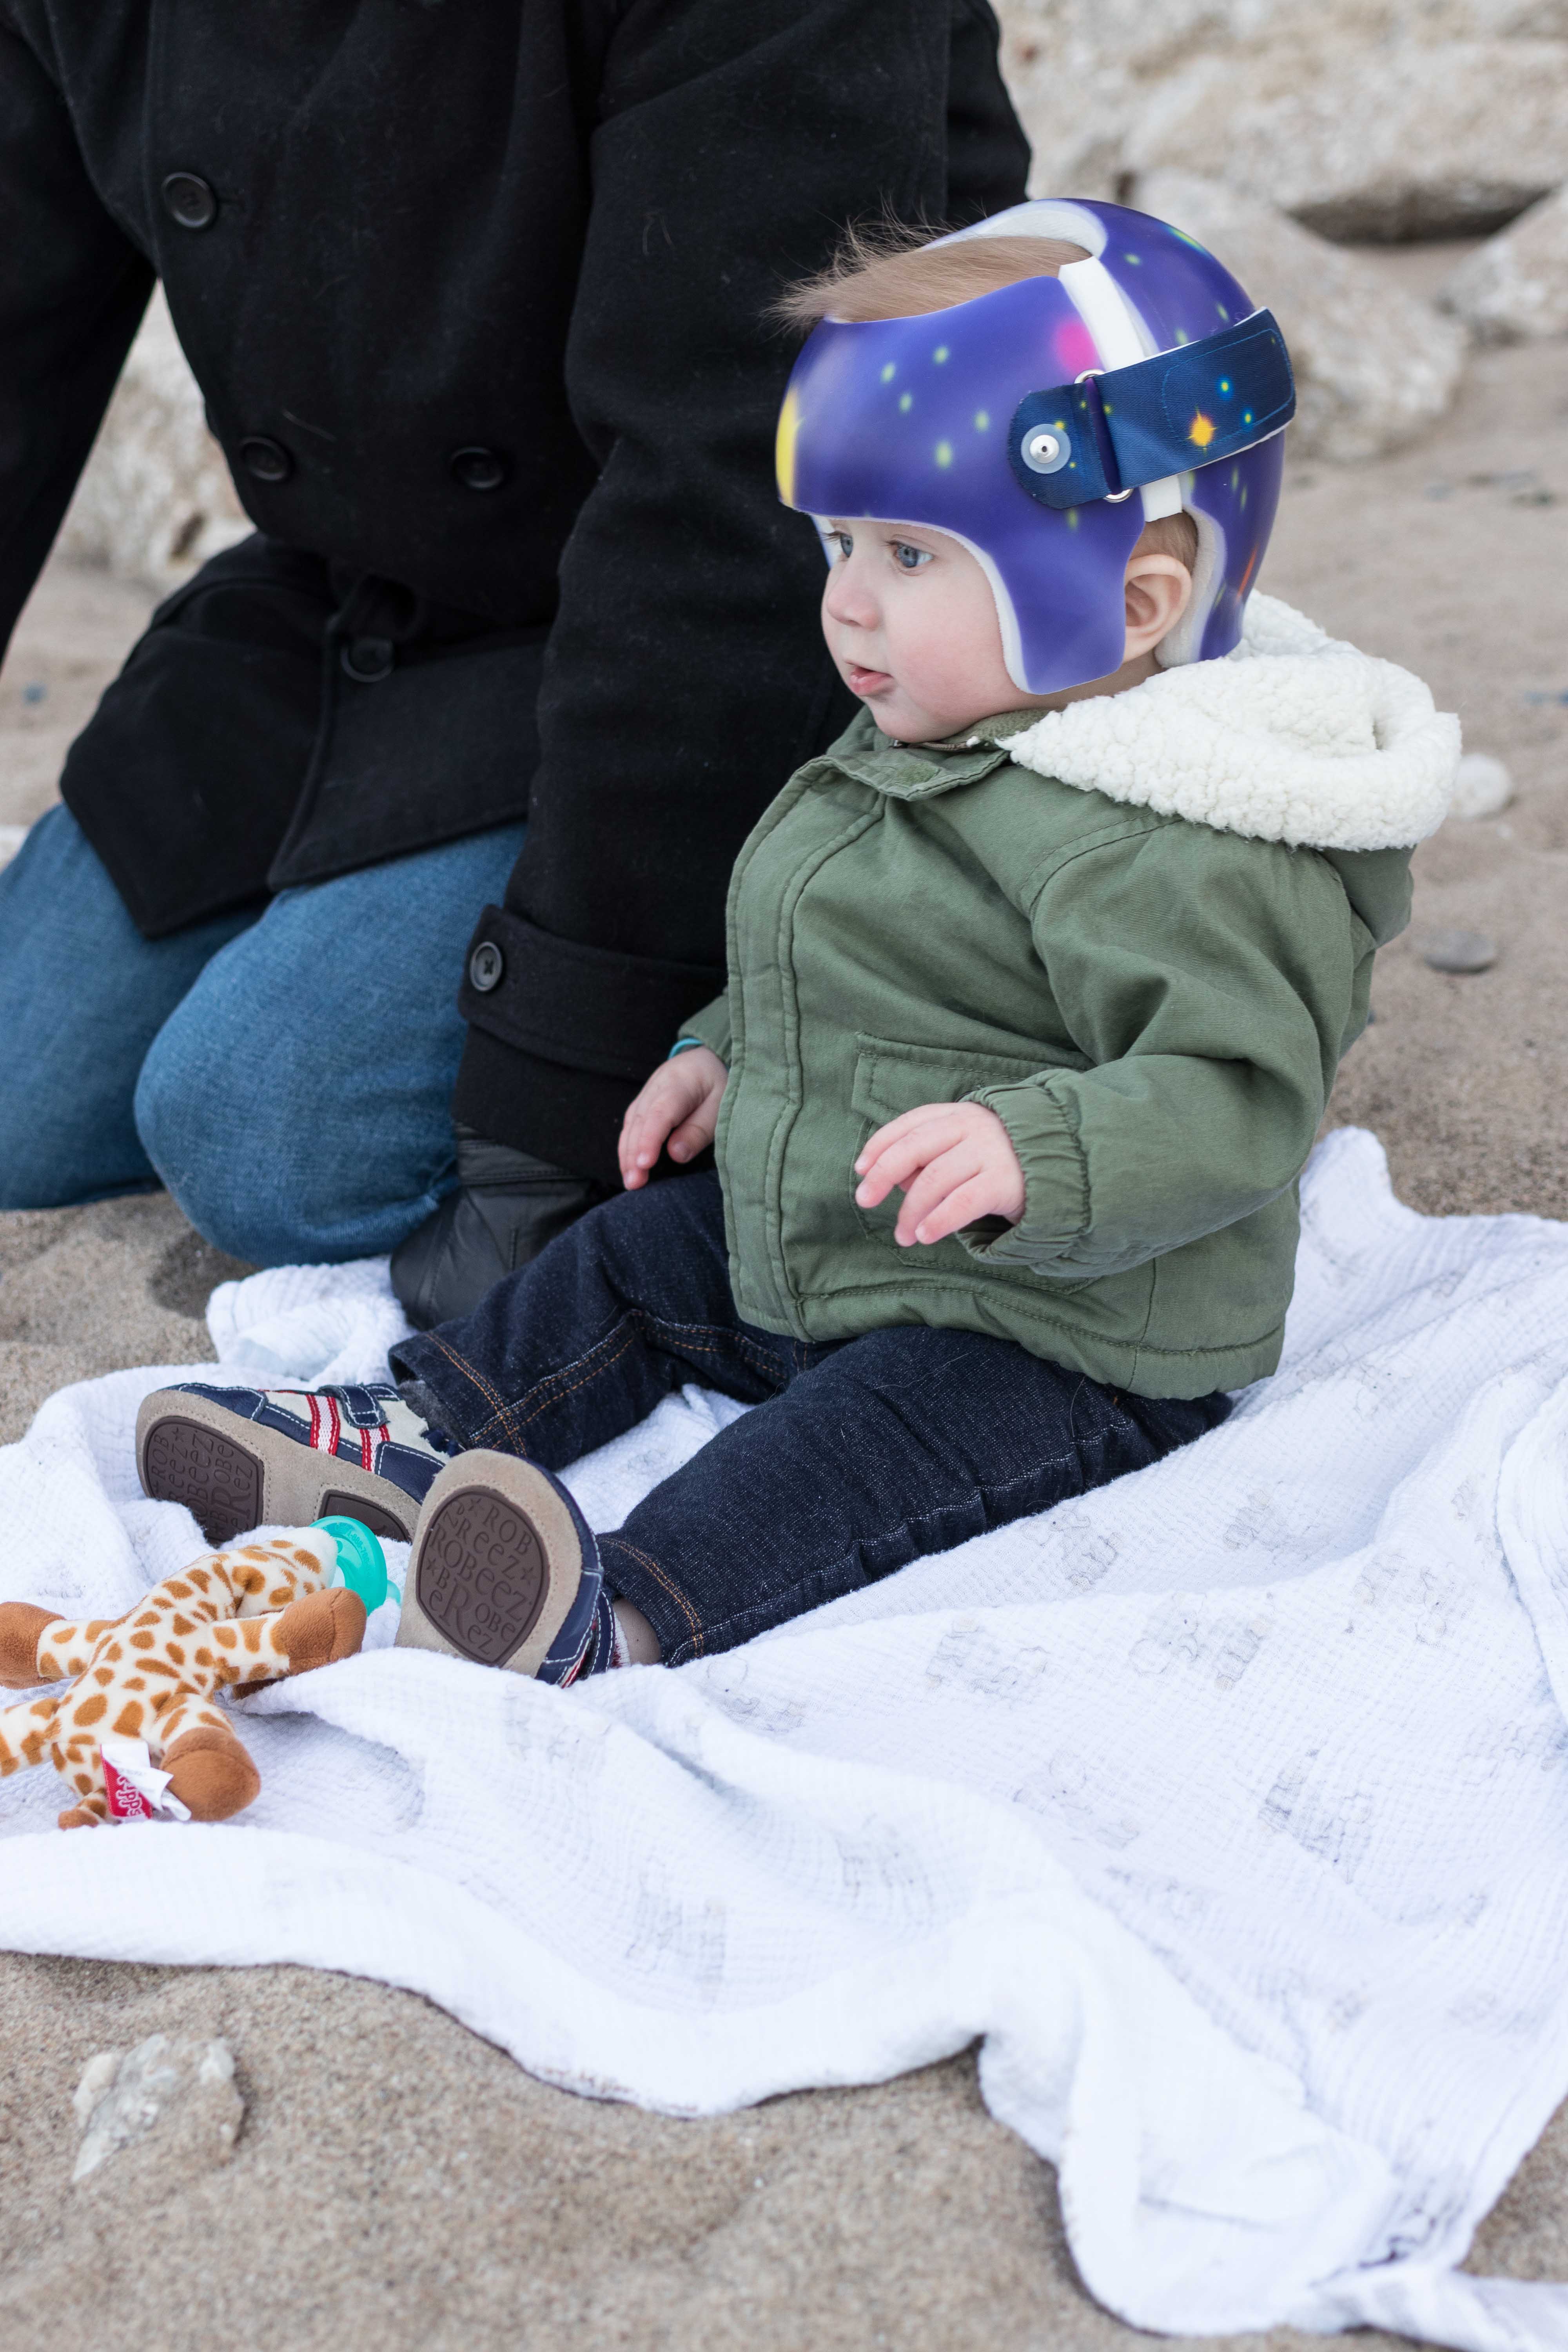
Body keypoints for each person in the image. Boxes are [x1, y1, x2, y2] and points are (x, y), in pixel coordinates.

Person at [132, 200, 1459, 1683]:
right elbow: (836, 953)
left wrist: (1047, 1152)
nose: (845, 601)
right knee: (635, 1259)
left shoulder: (1184, 834)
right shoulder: (961, 721)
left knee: (853, 1449)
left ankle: (613, 1606)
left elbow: (1242, 1094)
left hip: (1060, 1324)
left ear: (1135, 598)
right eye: (837, 541)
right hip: (845, 1221)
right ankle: (418, 1430)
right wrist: (727, 1054)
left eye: (910, 550)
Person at [0, 0, 1029, 1327]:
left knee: (261, 1142)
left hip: (774, 610)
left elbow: (729, 480)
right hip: (366, 584)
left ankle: (788, 1014)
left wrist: (560, 1069)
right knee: (19, 1094)